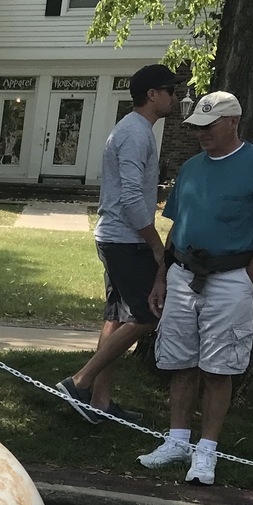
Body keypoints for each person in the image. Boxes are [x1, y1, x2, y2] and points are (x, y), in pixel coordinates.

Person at [137, 91, 253, 485]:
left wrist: (249, 276)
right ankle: (177, 440)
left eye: (209, 126)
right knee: (180, 361)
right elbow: (176, 226)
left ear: (233, 121)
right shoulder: (191, 168)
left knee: (219, 367)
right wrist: (162, 276)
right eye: (197, 128)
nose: (201, 134)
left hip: (230, 276)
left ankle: (206, 451)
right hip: (184, 273)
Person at [56, 64, 182, 424]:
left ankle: (100, 402)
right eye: (170, 90)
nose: (175, 97)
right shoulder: (136, 134)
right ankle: (80, 382)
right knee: (147, 313)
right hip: (124, 240)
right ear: (152, 95)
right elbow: (130, 197)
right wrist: (155, 243)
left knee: (117, 316)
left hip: (116, 237)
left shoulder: (136, 131)